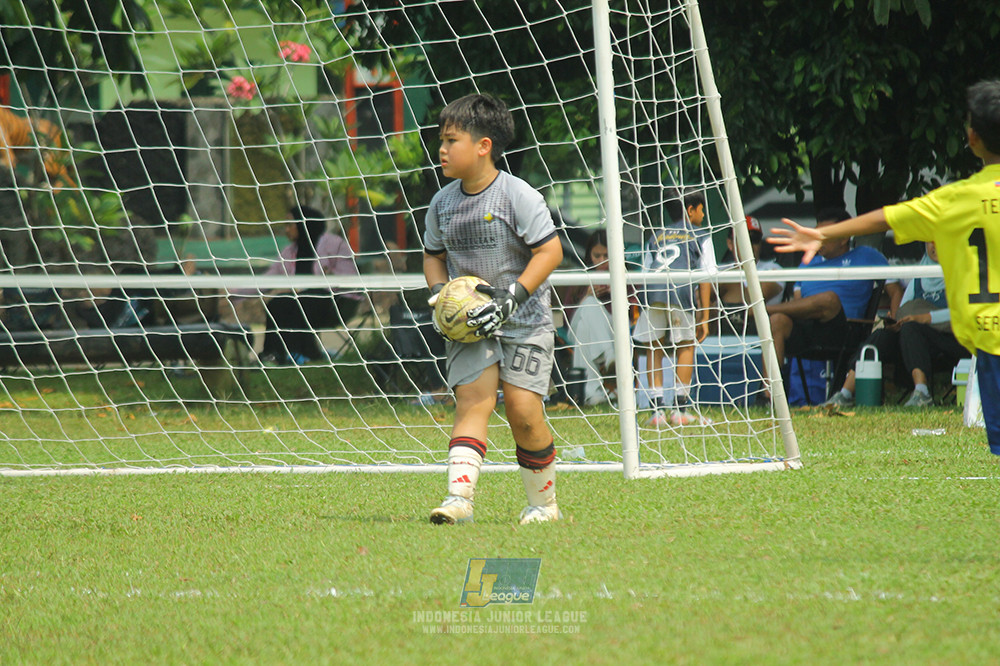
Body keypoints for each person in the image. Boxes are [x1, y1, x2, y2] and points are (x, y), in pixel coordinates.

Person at [770, 79, 1000, 456]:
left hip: (988, 344)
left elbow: (883, 218)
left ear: (972, 138)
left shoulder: (956, 200)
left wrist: (818, 234)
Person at [422, 93, 564, 525]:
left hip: (525, 322)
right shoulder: (442, 203)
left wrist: (511, 299)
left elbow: (550, 251)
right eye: (440, 141)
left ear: (484, 146)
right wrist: (441, 296)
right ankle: (458, 500)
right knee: (472, 402)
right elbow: (433, 255)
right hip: (471, 328)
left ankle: (543, 505)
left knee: (522, 410)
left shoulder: (517, 195)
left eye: (451, 140)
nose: (442, 150)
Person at [823, 242, 970, 408]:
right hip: (917, 342)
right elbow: (903, 310)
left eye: (940, 239)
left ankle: (922, 393)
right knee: (882, 336)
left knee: (912, 328)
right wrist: (896, 322)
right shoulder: (921, 273)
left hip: (954, 340)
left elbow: (967, 313)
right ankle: (845, 394)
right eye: (930, 241)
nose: (934, 246)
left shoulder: (966, 272)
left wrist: (927, 318)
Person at [765, 208, 901, 371]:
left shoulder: (866, 255)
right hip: (809, 330)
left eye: (824, 235)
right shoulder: (807, 262)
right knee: (777, 320)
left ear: (844, 237)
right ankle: (769, 393)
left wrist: (895, 324)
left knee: (829, 299)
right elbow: (798, 304)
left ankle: (762, 310)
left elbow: (895, 291)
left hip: (844, 330)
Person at [632, 190, 714, 427]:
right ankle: (680, 409)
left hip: (653, 293)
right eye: (701, 209)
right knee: (686, 344)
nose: (704, 214)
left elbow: (646, 273)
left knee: (654, 346)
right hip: (679, 291)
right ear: (691, 210)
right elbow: (705, 278)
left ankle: (657, 411)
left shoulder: (655, 236)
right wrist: (704, 318)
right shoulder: (701, 235)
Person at [245, 205, 361, 365]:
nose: (285, 230)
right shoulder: (289, 252)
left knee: (305, 300)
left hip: (338, 303)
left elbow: (351, 279)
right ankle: (272, 354)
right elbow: (266, 280)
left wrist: (332, 277)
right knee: (278, 302)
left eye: (289, 225)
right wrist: (233, 292)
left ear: (303, 223)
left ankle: (303, 353)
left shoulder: (334, 244)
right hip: (303, 301)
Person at [563, 229, 634, 405]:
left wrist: (617, 294)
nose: (601, 261)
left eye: (606, 256)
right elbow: (567, 319)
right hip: (589, 333)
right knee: (588, 306)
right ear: (589, 255)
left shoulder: (627, 276)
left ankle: (592, 392)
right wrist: (587, 295)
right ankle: (609, 357)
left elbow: (635, 314)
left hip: (616, 331)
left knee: (584, 330)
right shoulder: (581, 278)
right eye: (597, 255)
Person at [712, 215, 785, 337]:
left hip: (759, 334)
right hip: (720, 334)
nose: (749, 245)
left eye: (754, 239)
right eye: (743, 239)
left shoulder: (773, 269)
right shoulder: (718, 269)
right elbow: (700, 300)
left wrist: (727, 286)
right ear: (730, 244)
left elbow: (755, 299)